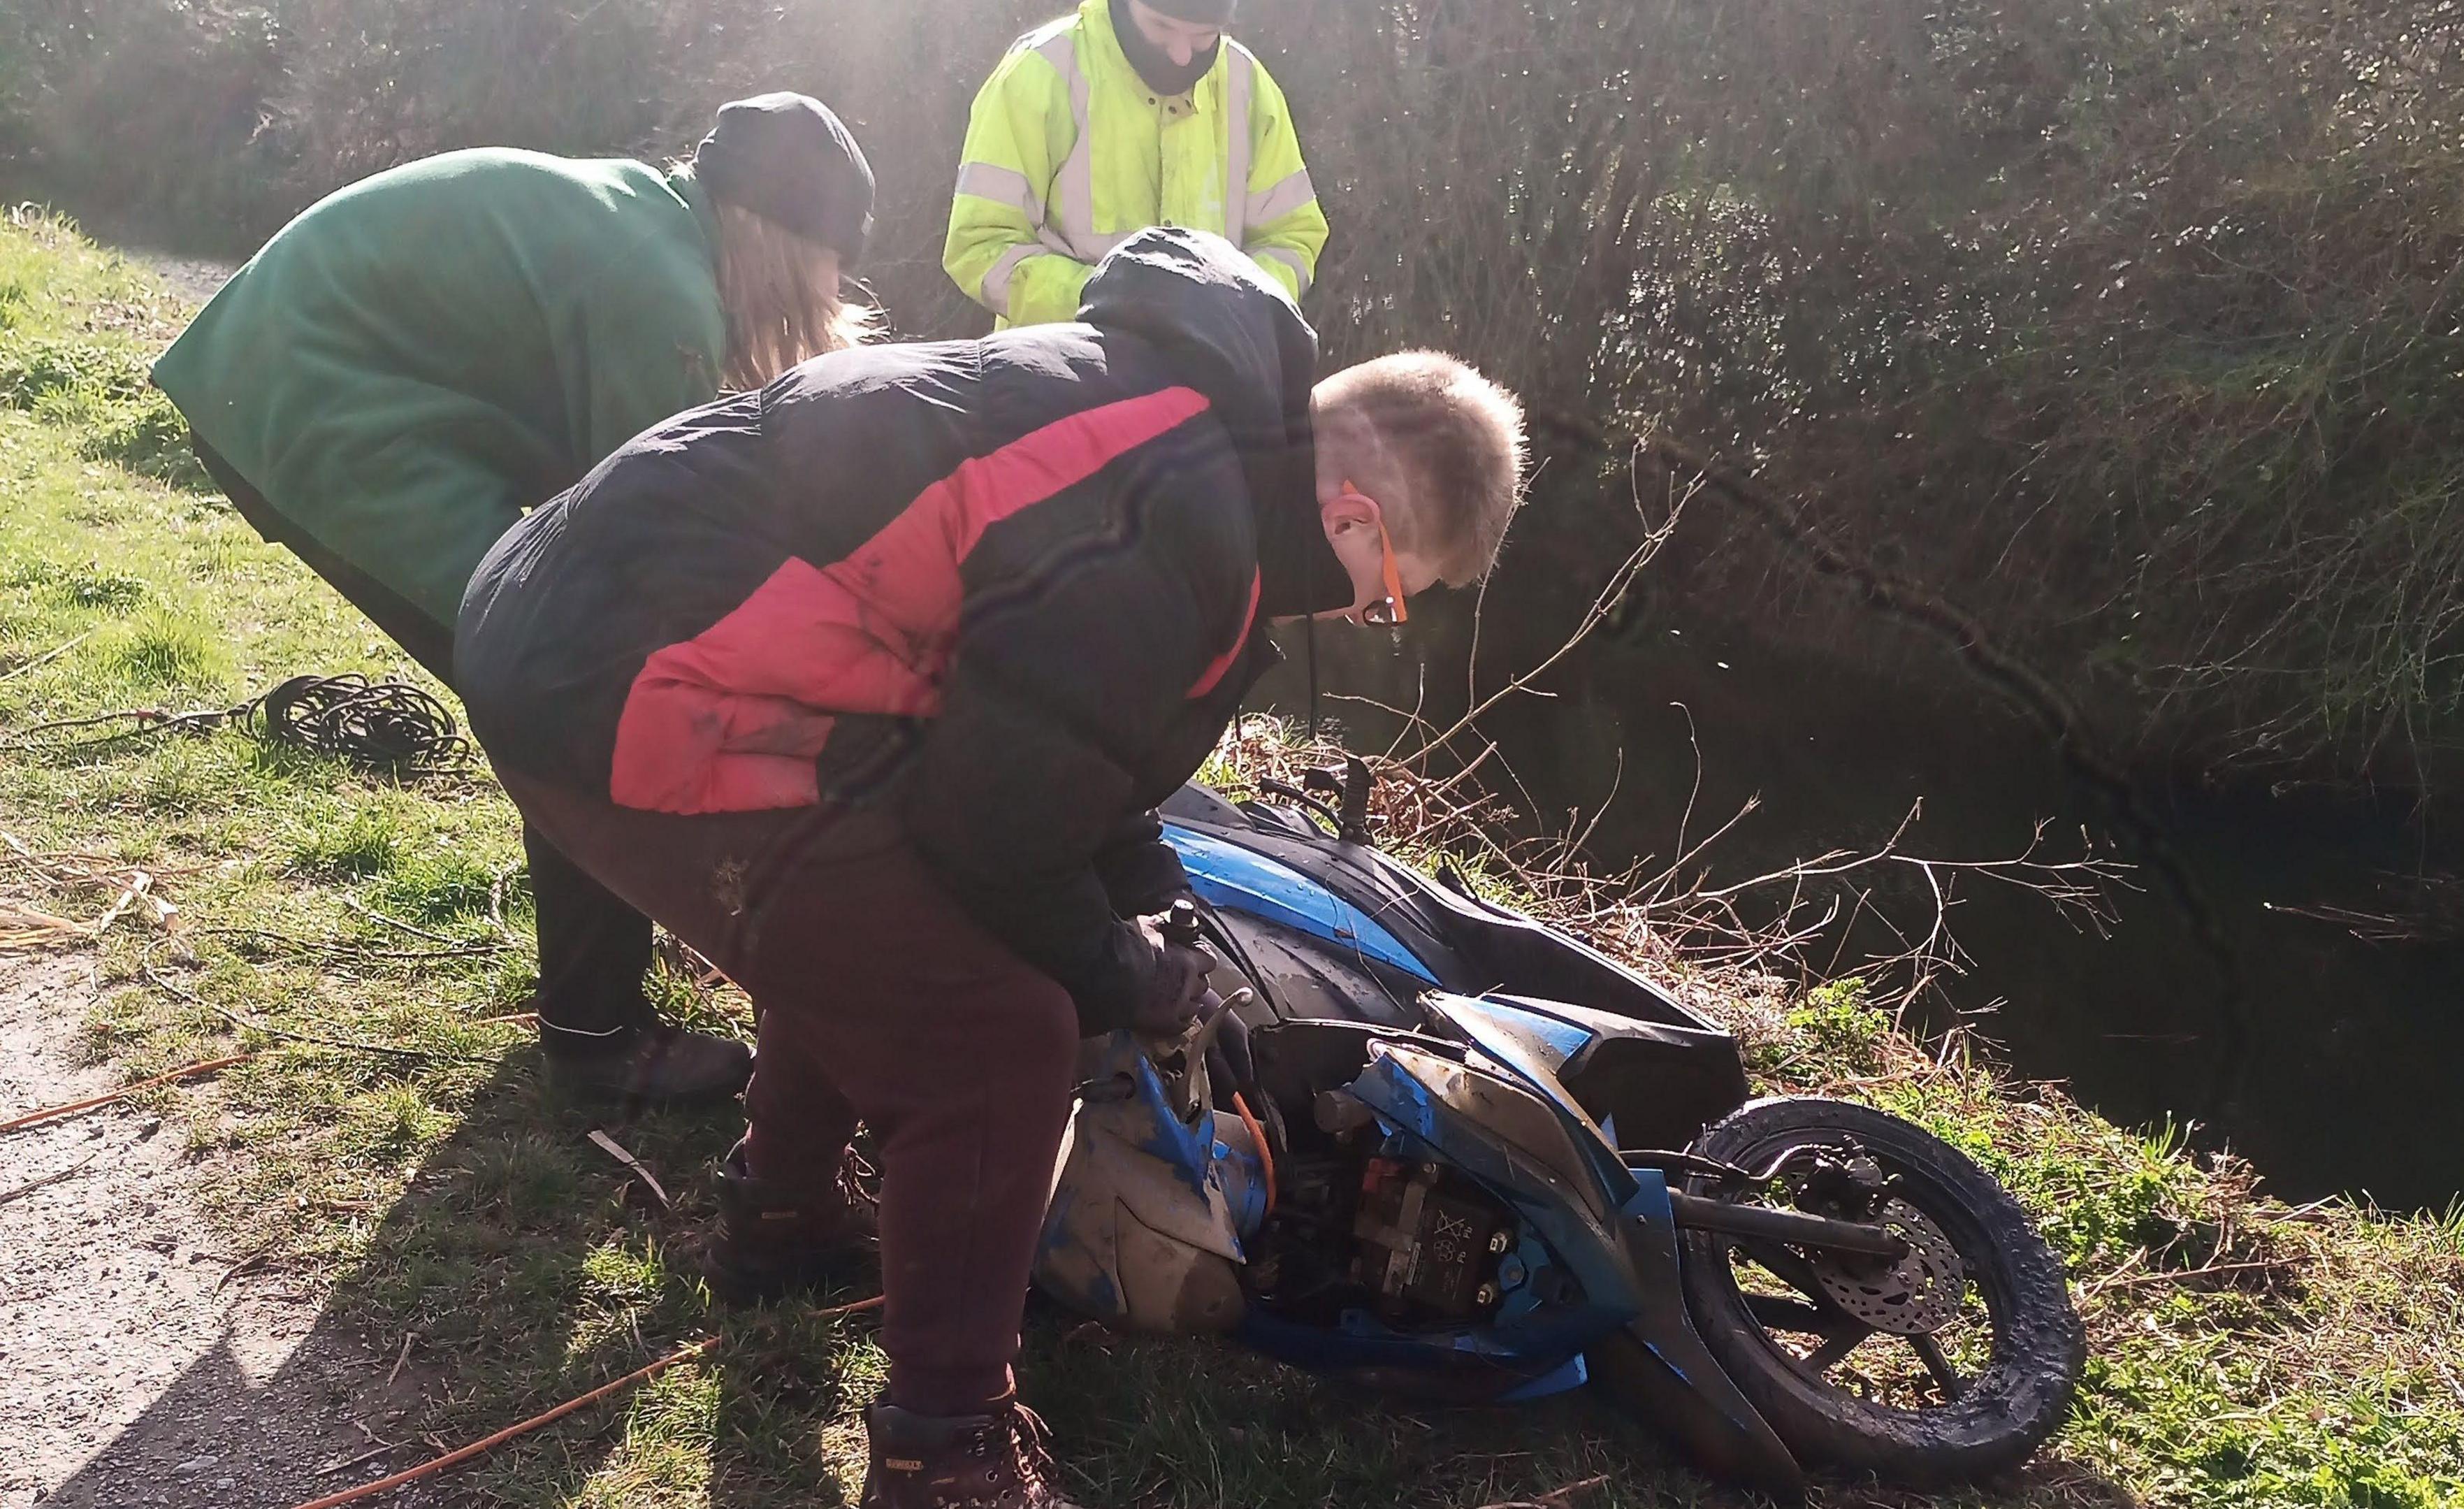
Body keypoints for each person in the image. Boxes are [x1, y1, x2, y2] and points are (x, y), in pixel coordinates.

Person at [454, 227, 1523, 1508]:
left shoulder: (1181, 435)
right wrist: (1125, 971)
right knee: (1000, 1029)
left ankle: (780, 1212)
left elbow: (1055, 731)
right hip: (615, 678)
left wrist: (1144, 891)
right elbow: (998, 824)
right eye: (1391, 592)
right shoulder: (1174, 525)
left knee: (880, 903)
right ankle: (944, 1444)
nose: (1364, 616)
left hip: (580, 612)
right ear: (1353, 516)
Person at [152, 94, 879, 1106]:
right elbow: (669, 564)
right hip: (321, 400)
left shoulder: (646, 218)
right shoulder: (661, 291)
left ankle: (616, 953)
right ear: (784, 248)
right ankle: (597, 1041)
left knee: (587, 669)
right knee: (580, 690)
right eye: (827, 273)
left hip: (286, 368)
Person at [945, 0, 1328, 328]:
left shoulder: (1248, 87)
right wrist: (1107, 297)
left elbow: (1291, 237)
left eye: (1202, 35)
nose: (1181, 54)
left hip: (1207, 382)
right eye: (1161, 27)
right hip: (1059, 384)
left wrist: (1238, 303)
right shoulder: (1039, 73)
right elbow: (981, 246)